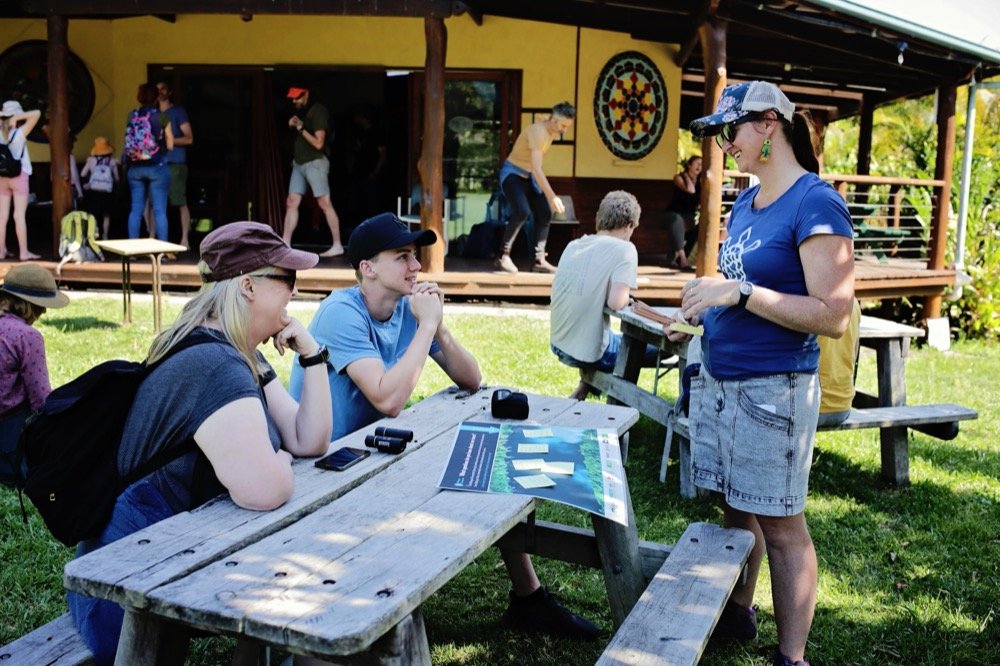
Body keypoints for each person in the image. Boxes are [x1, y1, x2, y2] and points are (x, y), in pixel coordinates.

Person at [289, 212, 599, 641]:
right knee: (469, 466)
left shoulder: (405, 308)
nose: (416, 267)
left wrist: (440, 326)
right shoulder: (340, 313)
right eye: (402, 257)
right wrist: (427, 325)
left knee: (486, 462)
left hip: (377, 452)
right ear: (368, 268)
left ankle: (529, 598)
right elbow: (388, 398)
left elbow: (471, 378)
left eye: (415, 256)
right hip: (325, 465)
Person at [65, 221, 332, 664]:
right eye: (288, 280)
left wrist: (312, 353)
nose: (294, 294)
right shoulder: (216, 365)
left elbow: (310, 438)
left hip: (159, 571)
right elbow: (267, 490)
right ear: (248, 286)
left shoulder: (238, 354)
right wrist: (278, 459)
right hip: (121, 600)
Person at [675, 81, 854, 666]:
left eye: (730, 131)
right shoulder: (744, 203)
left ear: (769, 124)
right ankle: (740, 611)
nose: (722, 145)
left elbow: (832, 315)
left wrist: (741, 291)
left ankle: (792, 656)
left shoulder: (815, 202)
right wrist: (703, 308)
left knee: (781, 526)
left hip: (772, 390)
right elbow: (741, 293)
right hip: (721, 378)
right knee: (735, 506)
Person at [550, 190, 656, 400]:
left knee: (610, 338)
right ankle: (620, 405)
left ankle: (584, 388)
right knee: (657, 349)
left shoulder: (574, 245)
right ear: (628, 225)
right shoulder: (625, 249)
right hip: (589, 352)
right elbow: (617, 303)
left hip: (559, 343)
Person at [0, 264, 69, 486]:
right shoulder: (28, 336)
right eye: (42, 306)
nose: (44, 312)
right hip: (8, 432)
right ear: (31, 306)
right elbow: (41, 400)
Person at [495, 102, 575, 274]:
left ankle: (539, 261)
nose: (564, 130)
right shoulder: (538, 132)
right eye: (562, 125)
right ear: (553, 119)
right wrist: (552, 196)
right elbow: (537, 167)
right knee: (522, 211)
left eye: (567, 127)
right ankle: (503, 256)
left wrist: (548, 198)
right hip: (513, 175)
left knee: (544, 212)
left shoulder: (550, 130)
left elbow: (534, 169)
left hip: (528, 177)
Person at [282, 87, 344, 258]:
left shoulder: (318, 111)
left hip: (315, 163)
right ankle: (285, 243)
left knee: (324, 203)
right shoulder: (306, 111)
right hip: (299, 164)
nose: (294, 101)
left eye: (297, 97)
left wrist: (300, 128)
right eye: (292, 98)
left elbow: (318, 144)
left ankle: (337, 245)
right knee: (292, 201)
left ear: (307, 94)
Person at [124, 83, 174, 241]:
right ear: (156, 97)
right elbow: (171, 144)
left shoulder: (132, 115)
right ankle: (163, 251)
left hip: (135, 167)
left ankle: (132, 251)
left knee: (136, 209)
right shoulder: (162, 116)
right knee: (159, 210)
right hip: (156, 166)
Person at [0, 100, 42, 260]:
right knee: (19, 215)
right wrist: (17, 117)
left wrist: (5, 117)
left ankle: (1, 251)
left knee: (2, 217)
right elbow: (37, 113)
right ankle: (23, 252)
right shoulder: (19, 133)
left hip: (2, 177)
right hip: (19, 176)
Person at [155, 81, 195, 248]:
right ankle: (152, 237)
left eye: (163, 88)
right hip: (155, 164)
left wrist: (168, 140)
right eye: (156, 89)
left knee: (180, 201)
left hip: (176, 163)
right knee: (153, 204)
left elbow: (189, 138)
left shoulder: (178, 112)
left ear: (169, 91)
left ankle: (185, 239)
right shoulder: (151, 113)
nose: (160, 91)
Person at [817, 298, 861, 427]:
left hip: (812, 408)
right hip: (843, 406)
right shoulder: (854, 303)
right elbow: (855, 353)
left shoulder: (808, 305)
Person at [664, 155, 702, 270]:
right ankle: (683, 259)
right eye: (697, 163)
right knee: (677, 221)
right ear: (689, 165)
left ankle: (677, 259)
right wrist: (687, 176)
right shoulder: (679, 177)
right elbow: (690, 190)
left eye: (701, 164)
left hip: (688, 218)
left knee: (699, 228)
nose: (700, 166)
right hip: (671, 215)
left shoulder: (701, 182)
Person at [80, 137, 120, 239]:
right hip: (107, 192)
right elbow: (117, 178)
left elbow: (82, 174)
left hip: (94, 191)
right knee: (106, 215)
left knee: (93, 214)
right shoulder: (112, 161)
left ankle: (94, 232)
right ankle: (105, 234)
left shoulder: (91, 160)